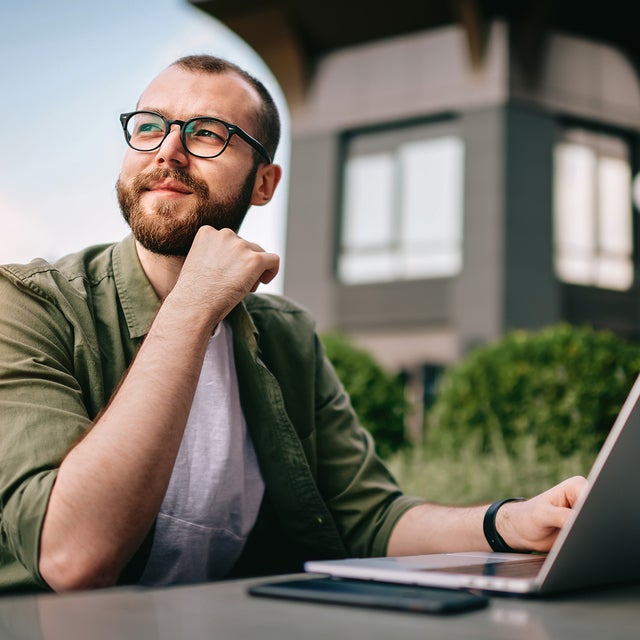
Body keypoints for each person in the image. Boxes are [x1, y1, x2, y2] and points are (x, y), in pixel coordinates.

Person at [0, 54, 586, 593]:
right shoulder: (29, 304)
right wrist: (193, 306)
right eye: (151, 125)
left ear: (264, 183)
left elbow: (370, 518)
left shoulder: (286, 336)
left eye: (207, 133)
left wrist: (509, 521)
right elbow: (71, 556)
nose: (168, 152)